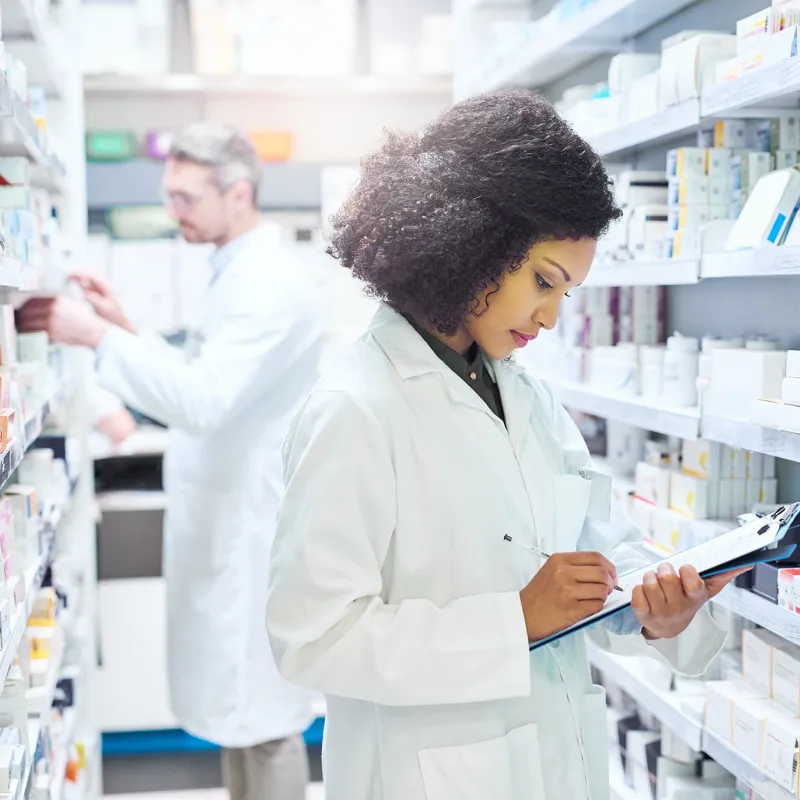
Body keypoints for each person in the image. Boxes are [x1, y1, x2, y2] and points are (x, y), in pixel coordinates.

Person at [265, 92, 747, 800]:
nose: (550, 316)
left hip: (553, 763)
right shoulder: (356, 407)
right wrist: (513, 619)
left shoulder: (525, 395)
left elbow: (600, 546)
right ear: (469, 243)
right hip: (420, 776)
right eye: (542, 282)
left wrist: (659, 606)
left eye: (567, 294)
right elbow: (312, 636)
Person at [19, 122, 323, 800]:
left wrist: (94, 335)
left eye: (186, 198)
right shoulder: (239, 273)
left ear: (237, 192)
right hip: (227, 516)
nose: (173, 212)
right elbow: (203, 370)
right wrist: (124, 326)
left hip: (253, 528)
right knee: (242, 717)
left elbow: (203, 399)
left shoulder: (271, 282)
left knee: (264, 719)